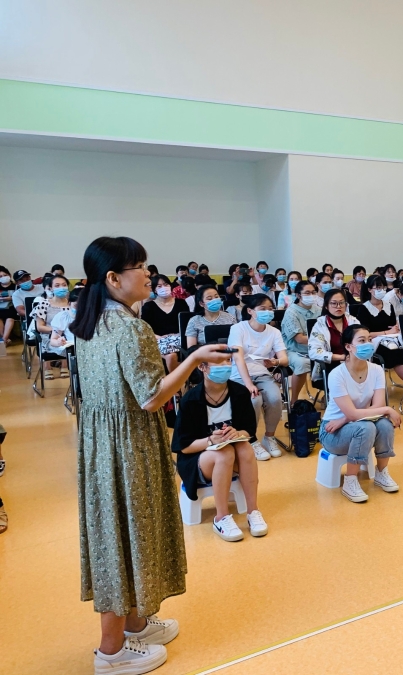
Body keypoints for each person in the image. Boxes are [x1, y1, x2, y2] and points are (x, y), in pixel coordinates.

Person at [70, 236, 233, 674]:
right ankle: (111, 652)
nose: (148, 274)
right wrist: (194, 358)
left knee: (118, 530)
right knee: (125, 535)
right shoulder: (131, 328)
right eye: (139, 267)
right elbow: (151, 397)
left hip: (101, 443)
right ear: (113, 278)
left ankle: (136, 624)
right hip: (129, 443)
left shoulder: (90, 322)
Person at [171, 350, 268, 542]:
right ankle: (221, 517)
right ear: (202, 367)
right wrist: (210, 441)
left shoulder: (239, 392)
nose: (225, 365)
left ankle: (253, 511)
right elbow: (183, 447)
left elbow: (249, 431)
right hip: (197, 460)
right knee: (224, 453)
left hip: (232, 456)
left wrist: (238, 434)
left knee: (245, 448)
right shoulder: (191, 400)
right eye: (218, 362)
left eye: (228, 361)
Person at [319, 325, 401, 503]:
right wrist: (387, 410)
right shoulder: (337, 374)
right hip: (331, 432)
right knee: (366, 428)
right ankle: (350, 481)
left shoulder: (376, 370)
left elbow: (377, 405)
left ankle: (381, 473)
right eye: (362, 341)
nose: (368, 344)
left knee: (385, 425)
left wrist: (345, 419)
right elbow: (363, 411)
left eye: (369, 339)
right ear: (348, 346)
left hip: (354, 422)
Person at [228, 294, 288, 461]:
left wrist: (275, 361)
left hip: (262, 373)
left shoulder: (274, 332)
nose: (267, 312)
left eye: (270, 309)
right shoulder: (238, 329)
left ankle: (269, 437)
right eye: (262, 309)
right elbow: (238, 358)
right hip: (238, 375)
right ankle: (251, 440)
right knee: (254, 400)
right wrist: (248, 384)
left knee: (275, 398)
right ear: (250, 311)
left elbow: (284, 359)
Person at [358, 274, 403, 403]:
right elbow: (365, 334)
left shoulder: (388, 305)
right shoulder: (363, 309)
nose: (381, 290)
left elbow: (393, 326)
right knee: (394, 354)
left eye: (383, 287)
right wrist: (386, 332)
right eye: (378, 288)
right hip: (374, 342)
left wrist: (396, 329)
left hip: (391, 339)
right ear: (369, 289)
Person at [280, 280, 321, 404]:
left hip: (316, 349)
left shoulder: (319, 310)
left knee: (335, 360)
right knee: (302, 363)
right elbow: (300, 339)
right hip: (294, 350)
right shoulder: (291, 312)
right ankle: (294, 401)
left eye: (313, 292)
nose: (311, 295)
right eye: (307, 293)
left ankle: (329, 396)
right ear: (298, 295)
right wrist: (321, 339)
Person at [308, 288, 361, 382]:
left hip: (354, 361)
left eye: (341, 303)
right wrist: (341, 357)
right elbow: (313, 352)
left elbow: (362, 343)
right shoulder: (320, 325)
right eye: (334, 303)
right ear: (326, 306)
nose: (338, 306)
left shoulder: (353, 321)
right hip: (332, 364)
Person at [32, 274, 73, 378]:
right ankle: (47, 367)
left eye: (64, 285)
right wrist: (57, 331)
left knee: (70, 339)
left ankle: (65, 367)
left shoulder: (72, 304)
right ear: (50, 288)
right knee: (59, 339)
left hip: (70, 334)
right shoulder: (43, 304)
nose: (61, 288)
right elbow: (40, 327)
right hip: (48, 335)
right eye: (57, 285)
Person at [0, 266, 17, 344]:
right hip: (0, 307)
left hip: (11, 307)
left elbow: (19, 296)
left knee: (10, 317)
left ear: (9, 275)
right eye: (0, 276)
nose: (3, 277)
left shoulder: (15, 286)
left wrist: (10, 298)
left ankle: (4, 339)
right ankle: (4, 339)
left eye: (5, 275)